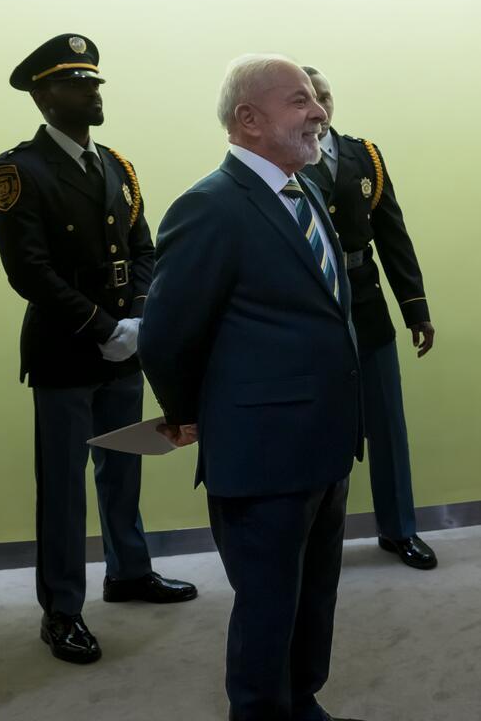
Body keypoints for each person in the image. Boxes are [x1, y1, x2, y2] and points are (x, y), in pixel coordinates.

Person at [138, 54, 365, 721]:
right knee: (268, 606)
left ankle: (304, 702)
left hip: (325, 441)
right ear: (249, 119)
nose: (319, 112)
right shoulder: (209, 207)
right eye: (300, 101)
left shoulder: (305, 191)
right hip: (261, 451)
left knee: (314, 595)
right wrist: (188, 414)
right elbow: (166, 336)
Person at [0, 34, 197, 666]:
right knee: (63, 486)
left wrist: (137, 317)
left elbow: (144, 248)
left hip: (125, 344)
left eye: (95, 83)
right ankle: (61, 608)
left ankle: (129, 572)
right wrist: (103, 327)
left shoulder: (116, 166)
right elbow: (28, 270)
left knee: (124, 466)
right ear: (43, 96)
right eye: (77, 84)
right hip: (66, 348)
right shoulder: (18, 170)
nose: (94, 93)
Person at [299, 66, 437, 570]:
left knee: (387, 425)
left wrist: (415, 309)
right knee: (316, 427)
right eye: (308, 98)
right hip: (313, 311)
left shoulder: (365, 157)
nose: (320, 106)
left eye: (325, 95)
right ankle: (313, 537)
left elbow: (393, 236)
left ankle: (399, 529)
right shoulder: (283, 159)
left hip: (367, 304)